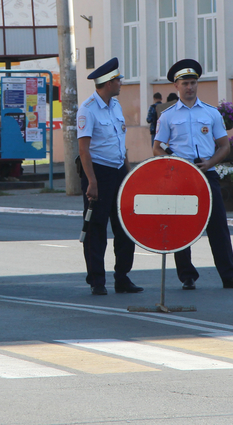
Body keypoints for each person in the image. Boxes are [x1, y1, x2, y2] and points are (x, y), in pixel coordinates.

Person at [152, 58, 233, 291]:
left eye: (193, 82)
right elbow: (157, 148)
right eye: (185, 83)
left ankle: (229, 276)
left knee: (218, 226)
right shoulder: (167, 116)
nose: (189, 87)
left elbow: (224, 146)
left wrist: (210, 162)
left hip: (207, 175)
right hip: (180, 177)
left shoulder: (211, 113)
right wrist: (174, 162)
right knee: (181, 227)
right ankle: (187, 276)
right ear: (176, 86)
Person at [77, 57, 143, 296]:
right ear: (107, 83)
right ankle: (97, 280)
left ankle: (122, 277)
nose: (120, 83)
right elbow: (84, 150)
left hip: (118, 172)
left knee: (125, 227)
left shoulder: (115, 106)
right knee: (96, 228)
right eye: (117, 80)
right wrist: (92, 181)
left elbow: (119, 144)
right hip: (99, 173)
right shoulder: (87, 110)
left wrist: (129, 173)